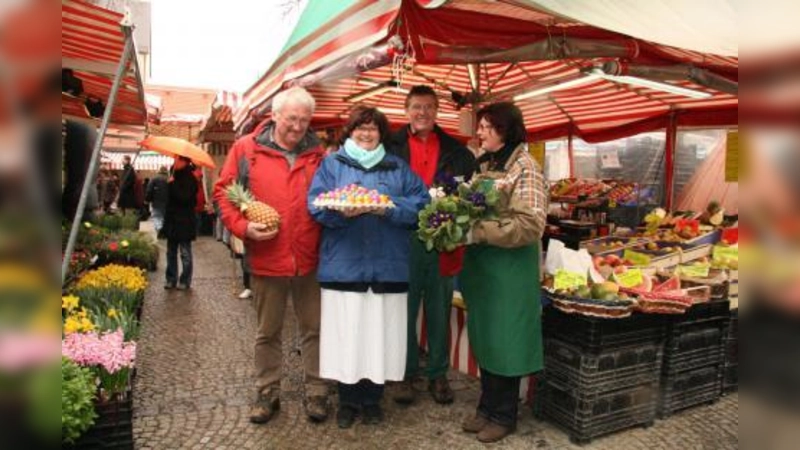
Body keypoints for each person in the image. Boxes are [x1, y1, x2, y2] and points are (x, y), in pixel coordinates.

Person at [213, 87, 330, 424]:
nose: (298, 127)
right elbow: (223, 192)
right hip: (267, 255)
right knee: (268, 331)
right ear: (276, 115)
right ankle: (267, 391)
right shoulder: (246, 149)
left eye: (304, 121)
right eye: (292, 118)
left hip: (309, 257)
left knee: (315, 329)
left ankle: (318, 390)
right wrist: (243, 227)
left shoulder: (318, 154)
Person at [308, 106, 429, 429]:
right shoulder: (332, 164)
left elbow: (422, 204)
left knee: (378, 337)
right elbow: (316, 203)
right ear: (350, 131)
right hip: (344, 268)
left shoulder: (397, 168)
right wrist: (338, 214)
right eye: (360, 128)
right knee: (348, 336)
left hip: (388, 267)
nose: (366, 134)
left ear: (381, 134)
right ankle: (347, 401)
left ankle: (373, 401)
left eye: (372, 129)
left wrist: (387, 207)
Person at [459, 102, 547, 443]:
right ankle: (486, 407)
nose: (479, 132)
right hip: (484, 271)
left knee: (507, 340)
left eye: (485, 126)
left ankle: (504, 415)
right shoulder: (486, 164)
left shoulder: (526, 168)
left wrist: (477, 232)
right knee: (487, 337)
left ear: (505, 130)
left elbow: (531, 225)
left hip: (510, 273)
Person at [386, 85, 476, 405]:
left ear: (437, 111)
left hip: (441, 238)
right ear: (406, 110)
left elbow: (469, 194)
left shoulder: (458, 151)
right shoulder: (389, 147)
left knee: (439, 308)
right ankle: (406, 373)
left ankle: (438, 375)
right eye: (416, 107)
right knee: (404, 309)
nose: (422, 113)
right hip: (402, 238)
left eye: (428, 107)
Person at [163, 156, 199, 290]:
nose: (175, 162)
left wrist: (172, 184)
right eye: (175, 160)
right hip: (172, 220)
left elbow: (185, 198)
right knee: (170, 252)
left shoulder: (191, 179)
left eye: (178, 160)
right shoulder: (173, 174)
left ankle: (185, 280)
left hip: (184, 221)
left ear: (185, 162)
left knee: (185, 252)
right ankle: (171, 279)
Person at [146, 166, 169, 236]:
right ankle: (164, 231)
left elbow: (149, 191)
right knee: (165, 217)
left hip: (156, 202)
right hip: (168, 203)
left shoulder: (154, 179)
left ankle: (159, 229)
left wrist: (147, 200)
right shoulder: (169, 179)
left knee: (156, 217)